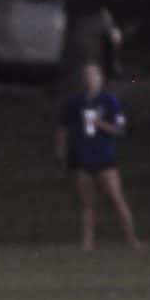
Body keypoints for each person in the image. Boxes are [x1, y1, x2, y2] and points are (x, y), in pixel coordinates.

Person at [55, 61, 142, 251]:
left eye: (93, 75)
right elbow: (63, 128)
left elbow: (120, 129)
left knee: (116, 198)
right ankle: (87, 243)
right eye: (86, 76)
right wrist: (61, 152)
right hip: (82, 159)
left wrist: (100, 123)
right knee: (87, 203)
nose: (90, 79)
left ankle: (131, 238)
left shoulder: (110, 101)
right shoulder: (74, 103)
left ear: (100, 79)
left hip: (105, 159)